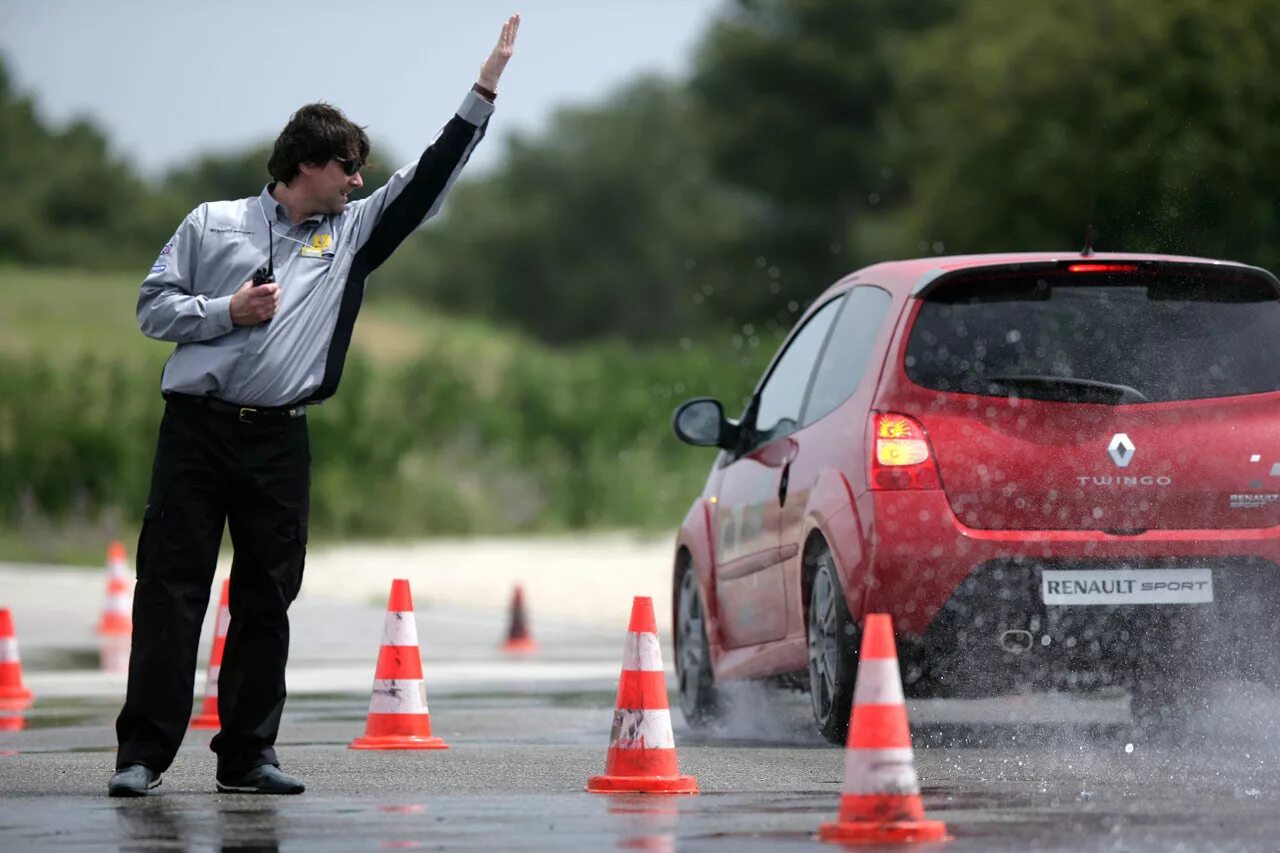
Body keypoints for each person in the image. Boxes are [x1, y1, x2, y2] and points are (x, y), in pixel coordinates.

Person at [108, 14, 521, 798]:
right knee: (171, 591)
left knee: (268, 597)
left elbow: (430, 177)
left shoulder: (354, 233)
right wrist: (227, 311)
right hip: (195, 435)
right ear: (308, 162)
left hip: (280, 443)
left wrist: (483, 88)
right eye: (349, 167)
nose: (359, 180)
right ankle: (142, 756)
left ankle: (248, 756)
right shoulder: (210, 222)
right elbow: (150, 309)